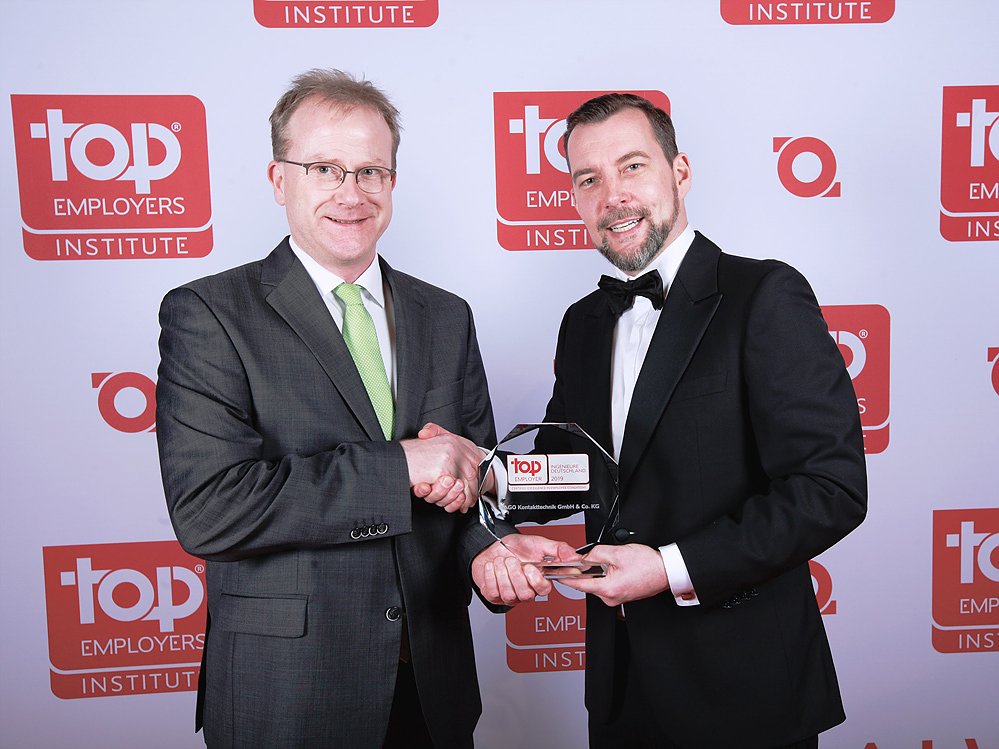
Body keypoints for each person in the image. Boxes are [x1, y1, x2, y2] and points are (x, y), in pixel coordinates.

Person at [155, 68, 565, 749]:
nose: (352, 193)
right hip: (288, 695)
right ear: (278, 179)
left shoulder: (445, 316)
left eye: (371, 171)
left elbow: (470, 482)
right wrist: (401, 465)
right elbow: (210, 509)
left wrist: (492, 550)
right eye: (324, 169)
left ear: (393, 181)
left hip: (430, 688)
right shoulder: (209, 314)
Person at [471, 93, 868, 748]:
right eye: (588, 179)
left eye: (632, 166)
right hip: (622, 689)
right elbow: (573, 473)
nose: (612, 196)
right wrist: (482, 475)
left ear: (679, 171)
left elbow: (829, 490)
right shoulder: (582, 323)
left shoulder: (763, 295)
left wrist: (665, 567)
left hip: (745, 690)